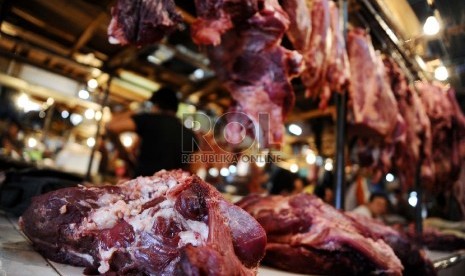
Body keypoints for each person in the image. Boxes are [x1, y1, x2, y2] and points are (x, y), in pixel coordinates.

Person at [106, 87, 198, 177]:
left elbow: (111, 127)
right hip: (172, 188)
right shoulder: (190, 134)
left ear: (156, 105)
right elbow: (192, 168)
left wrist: (124, 154)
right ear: (176, 108)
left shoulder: (148, 120)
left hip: (144, 185)